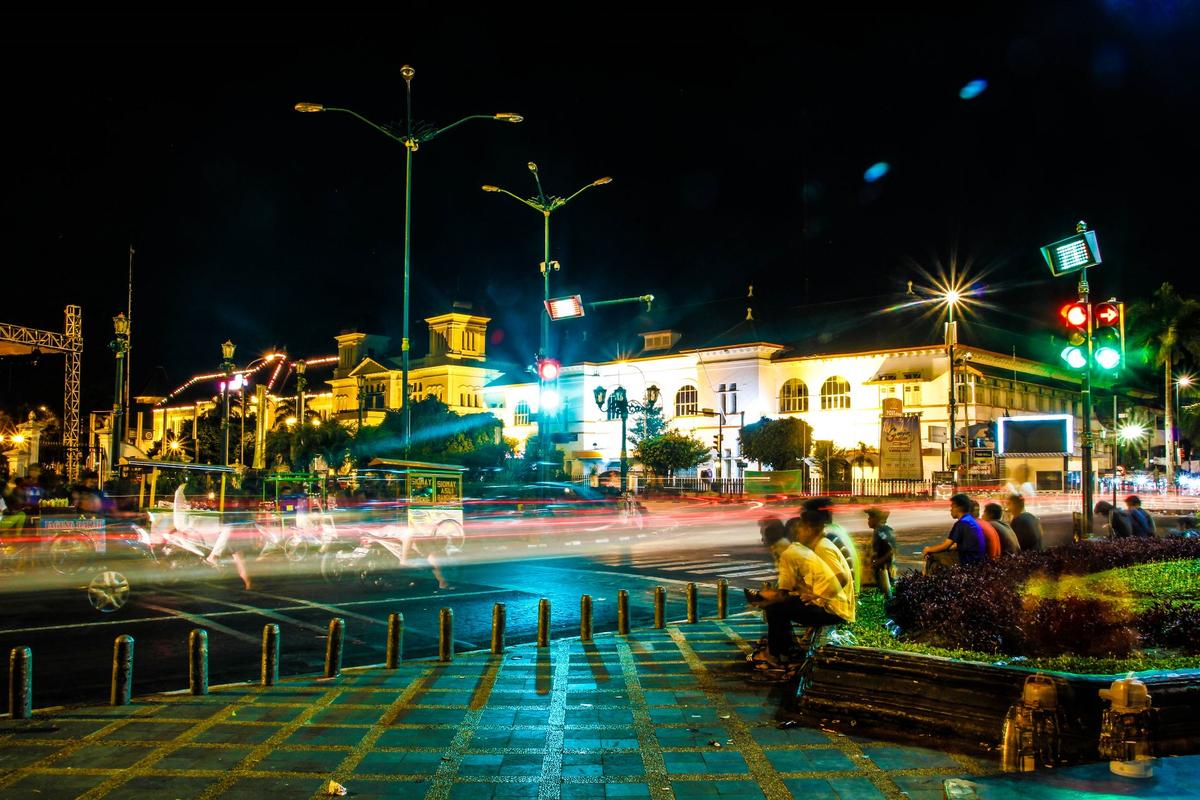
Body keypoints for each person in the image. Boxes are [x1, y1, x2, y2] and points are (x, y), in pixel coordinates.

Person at [751, 506, 854, 671]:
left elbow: (841, 577)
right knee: (781, 606)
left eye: (801, 529)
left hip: (835, 610)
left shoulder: (822, 547)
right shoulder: (816, 547)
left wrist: (816, 596)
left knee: (776, 608)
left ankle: (776, 656)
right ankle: (785, 652)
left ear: (811, 529)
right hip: (833, 605)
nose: (798, 533)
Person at [923, 493, 985, 573]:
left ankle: (928, 580)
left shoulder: (962, 523)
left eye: (952, 507)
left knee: (932, 556)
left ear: (958, 508)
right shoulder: (970, 520)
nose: (950, 510)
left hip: (968, 561)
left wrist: (928, 549)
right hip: (977, 559)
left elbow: (946, 545)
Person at [864, 507, 897, 596]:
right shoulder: (880, 530)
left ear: (875, 519)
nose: (868, 520)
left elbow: (890, 551)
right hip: (883, 569)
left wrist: (878, 562)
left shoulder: (880, 531)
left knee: (887, 594)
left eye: (870, 518)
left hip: (885, 570)